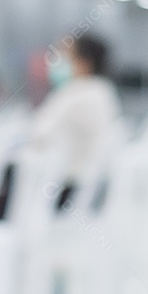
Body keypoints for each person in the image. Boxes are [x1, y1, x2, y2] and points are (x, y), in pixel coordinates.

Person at [30, 34, 121, 211]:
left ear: (84, 62)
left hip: (64, 191)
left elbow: (38, 136)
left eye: (65, 55)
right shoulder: (103, 91)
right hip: (87, 191)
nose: (57, 61)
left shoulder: (78, 94)